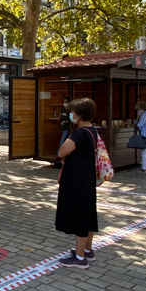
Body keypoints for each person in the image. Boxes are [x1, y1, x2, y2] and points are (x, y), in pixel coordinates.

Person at [55, 97, 100, 268]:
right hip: (87, 179)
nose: (71, 115)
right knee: (88, 214)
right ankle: (87, 250)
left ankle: (80, 258)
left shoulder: (79, 133)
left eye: (73, 112)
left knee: (80, 216)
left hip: (77, 180)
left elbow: (62, 151)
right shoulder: (92, 130)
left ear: (79, 115)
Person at [57, 95, 73, 166]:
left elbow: (71, 119)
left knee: (62, 140)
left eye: (66, 102)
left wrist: (67, 121)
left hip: (67, 128)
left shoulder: (70, 110)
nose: (65, 103)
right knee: (64, 140)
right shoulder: (62, 109)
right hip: (62, 127)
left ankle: (59, 155)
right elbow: (60, 117)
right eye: (64, 102)